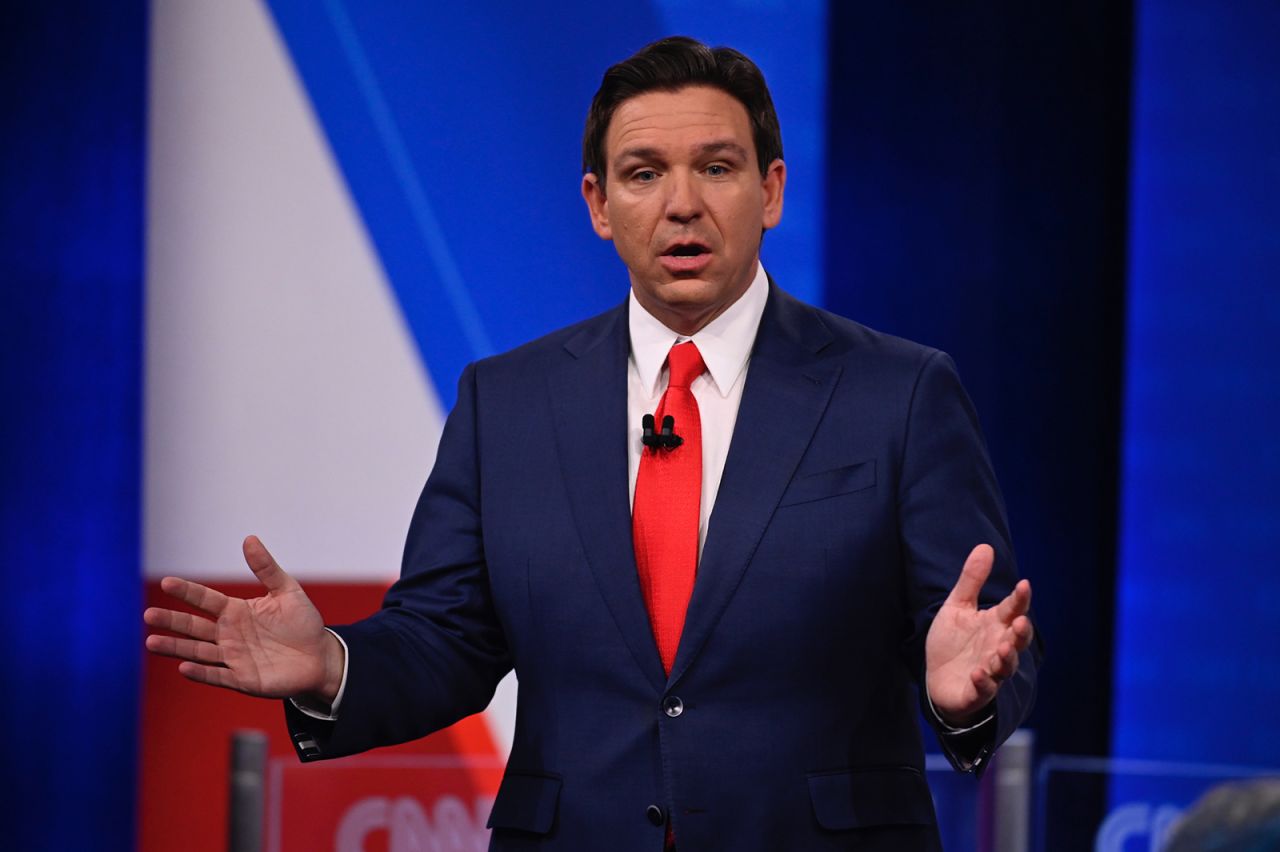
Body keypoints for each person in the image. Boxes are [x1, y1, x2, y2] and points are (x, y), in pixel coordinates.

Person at [145, 36, 1038, 851]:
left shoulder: (899, 391)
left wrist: (966, 695)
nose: (682, 204)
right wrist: (332, 664)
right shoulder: (508, 401)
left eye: (716, 168)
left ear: (770, 191)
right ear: (599, 204)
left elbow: (986, 637)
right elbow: (446, 638)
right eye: (644, 173)